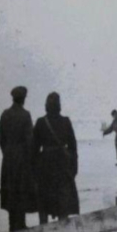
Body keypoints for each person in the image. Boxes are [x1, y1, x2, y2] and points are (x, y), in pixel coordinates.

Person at [33, 92, 79, 223]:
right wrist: (73, 169)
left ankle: (43, 231)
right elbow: (73, 147)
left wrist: (35, 171)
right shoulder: (66, 122)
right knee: (63, 204)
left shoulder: (41, 122)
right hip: (63, 167)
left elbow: (34, 150)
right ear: (59, 106)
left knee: (44, 204)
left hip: (45, 167)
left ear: (46, 106)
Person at [0, 85, 38, 232]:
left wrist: (7, 153)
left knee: (10, 191)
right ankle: (20, 224)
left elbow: (1, 139)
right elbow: (30, 140)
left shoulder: (5, 114)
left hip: (8, 158)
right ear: (23, 99)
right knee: (21, 190)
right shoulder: (25, 115)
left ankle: (12, 224)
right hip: (22, 158)